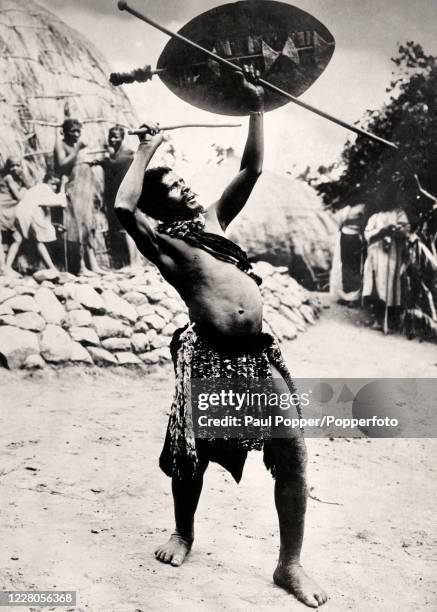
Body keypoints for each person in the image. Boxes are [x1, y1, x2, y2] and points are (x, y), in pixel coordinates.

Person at [115, 69, 327, 608]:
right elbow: (123, 208)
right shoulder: (164, 243)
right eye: (174, 186)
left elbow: (251, 168)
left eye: (182, 180)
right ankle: (184, 533)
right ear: (160, 206)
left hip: (258, 356)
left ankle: (290, 564)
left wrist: (256, 105)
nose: (186, 186)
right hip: (208, 358)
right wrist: (145, 152)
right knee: (194, 453)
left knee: (292, 450)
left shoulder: (213, 222)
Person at [54, 118, 102, 275]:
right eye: (72, 131)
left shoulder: (78, 145)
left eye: (78, 131)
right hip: (74, 190)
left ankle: (93, 264)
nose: (76, 134)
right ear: (65, 132)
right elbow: (62, 166)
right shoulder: (60, 145)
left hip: (87, 189)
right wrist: (76, 150)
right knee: (77, 226)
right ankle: (80, 266)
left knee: (89, 225)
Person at [362, 200, 410, 333]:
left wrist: (394, 231)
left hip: (392, 256)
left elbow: (406, 231)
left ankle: (391, 321)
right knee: (377, 286)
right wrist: (382, 231)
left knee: (391, 287)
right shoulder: (375, 216)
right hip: (376, 255)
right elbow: (367, 234)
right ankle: (378, 319)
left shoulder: (399, 213)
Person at [95, 125, 138, 268]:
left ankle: (134, 263)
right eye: (110, 137)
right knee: (119, 229)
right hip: (113, 197)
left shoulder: (127, 155)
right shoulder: (116, 155)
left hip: (125, 197)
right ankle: (124, 263)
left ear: (122, 138)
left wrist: (103, 159)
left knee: (127, 230)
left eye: (116, 137)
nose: (112, 140)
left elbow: (113, 164)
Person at [15, 171, 66, 272]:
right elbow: (59, 202)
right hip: (28, 214)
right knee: (39, 241)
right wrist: (63, 185)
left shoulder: (38, 188)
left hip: (23, 213)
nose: (55, 188)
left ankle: (49, 267)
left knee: (38, 241)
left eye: (57, 185)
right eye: (53, 184)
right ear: (47, 181)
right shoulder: (44, 188)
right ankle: (51, 268)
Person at [330, 202, 366, 306]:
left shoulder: (362, 207)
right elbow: (340, 222)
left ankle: (354, 298)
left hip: (355, 237)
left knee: (354, 266)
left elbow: (363, 223)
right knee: (344, 266)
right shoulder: (347, 207)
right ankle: (345, 296)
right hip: (344, 236)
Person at [0, 156, 30, 275]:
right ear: (7, 167)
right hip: (4, 210)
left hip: (9, 211)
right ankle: (4, 267)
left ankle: (6, 267)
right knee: (15, 238)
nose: (14, 168)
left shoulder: (15, 179)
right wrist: (24, 189)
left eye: (17, 165)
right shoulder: (8, 178)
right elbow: (19, 196)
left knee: (17, 238)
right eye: (12, 166)